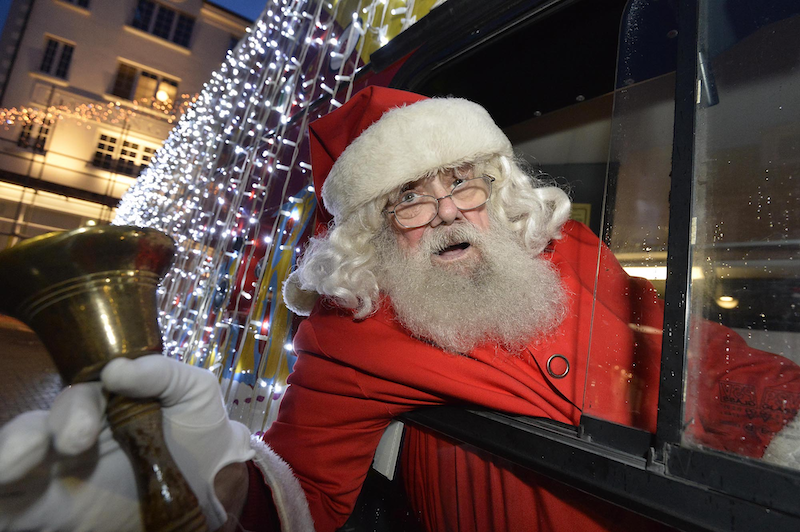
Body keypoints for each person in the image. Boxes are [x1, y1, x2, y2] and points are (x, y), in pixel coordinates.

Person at [1, 86, 800, 532]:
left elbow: (695, 350)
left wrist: (789, 409)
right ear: (373, 234)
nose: (447, 209)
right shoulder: (355, 332)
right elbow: (303, 491)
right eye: (407, 199)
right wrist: (205, 480)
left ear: (495, 184)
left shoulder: (574, 253)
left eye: (461, 179)